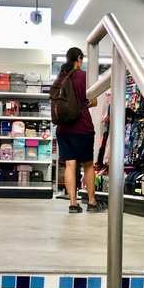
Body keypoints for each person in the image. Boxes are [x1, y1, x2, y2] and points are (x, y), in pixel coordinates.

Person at [56, 47, 100, 213]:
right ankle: (92, 201)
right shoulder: (84, 76)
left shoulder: (61, 77)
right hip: (82, 127)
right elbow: (93, 101)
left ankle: (73, 204)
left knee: (70, 165)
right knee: (88, 165)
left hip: (63, 128)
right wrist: (84, 103)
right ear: (79, 59)